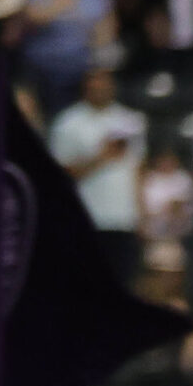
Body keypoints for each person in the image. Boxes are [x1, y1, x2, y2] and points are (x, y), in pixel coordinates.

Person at [47, 66, 146, 280]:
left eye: (104, 82)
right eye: (94, 83)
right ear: (86, 87)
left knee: (121, 283)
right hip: (86, 216)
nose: (99, 88)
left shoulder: (131, 121)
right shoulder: (68, 123)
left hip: (122, 218)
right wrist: (100, 158)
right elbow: (60, 174)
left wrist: (141, 214)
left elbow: (137, 169)